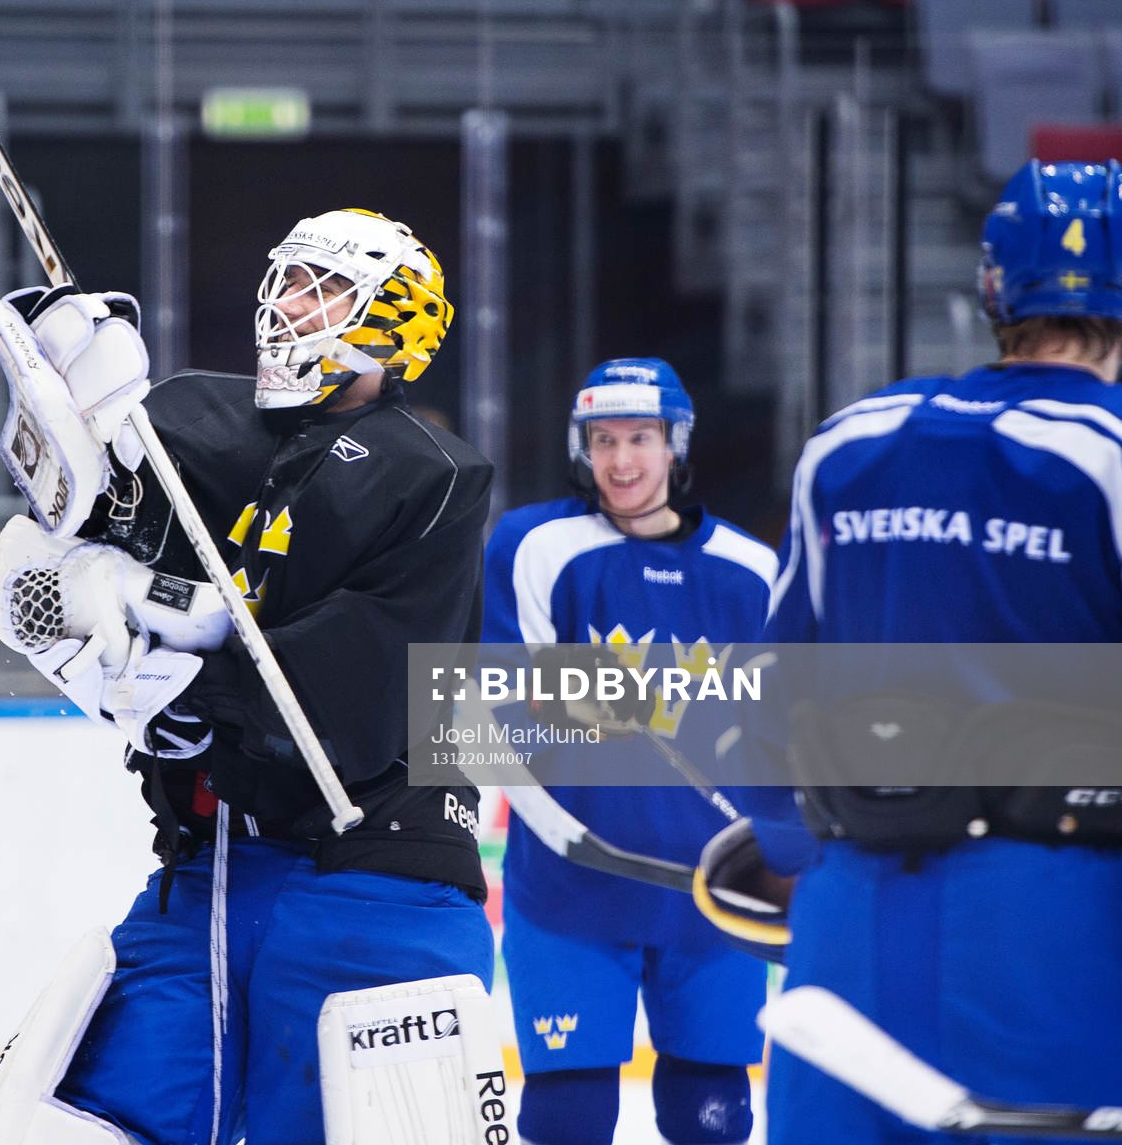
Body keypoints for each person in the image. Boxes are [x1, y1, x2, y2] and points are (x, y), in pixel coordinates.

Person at [0, 208, 496, 1144]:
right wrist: (79, 404)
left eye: (324, 287)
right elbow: (71, 525)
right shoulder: (195, 418)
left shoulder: (431, 475)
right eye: (287, 278)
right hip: (208, 870)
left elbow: (356, 700)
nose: (289, 303)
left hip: (373, 874)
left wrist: (193, 681)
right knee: (82, 1126)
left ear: (396, 322)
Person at [740, 160, 1122, 1144]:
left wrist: (785, 852)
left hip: (844, 922)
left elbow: (771, 691)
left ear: (992, 287)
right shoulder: (1106, 454)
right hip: (1053, 923)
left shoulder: (846, 441)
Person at [480, 358, 777, 1145]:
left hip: (715, 897)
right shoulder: (533, 546)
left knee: (712, 1120)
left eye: (640, 438)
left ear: (675, 443)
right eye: (603, 439)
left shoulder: (753, 572)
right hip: (570, 893)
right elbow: (498, 714)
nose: (621, 461)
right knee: (567, 1120)